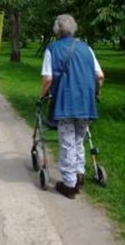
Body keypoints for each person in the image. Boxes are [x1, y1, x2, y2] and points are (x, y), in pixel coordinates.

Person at [40, 14, 104, 199]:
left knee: (67, 141)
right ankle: (79, 175)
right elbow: (99, 76)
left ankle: (69, 184)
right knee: (78, 139)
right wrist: (96, 92)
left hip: (65, 102)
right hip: (85, 102)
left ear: (56, 30)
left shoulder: (52, 49)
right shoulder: (86, 48)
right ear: (73, 28)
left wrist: (42, 95)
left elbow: (48, 79)